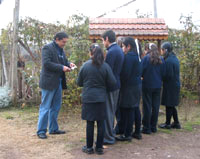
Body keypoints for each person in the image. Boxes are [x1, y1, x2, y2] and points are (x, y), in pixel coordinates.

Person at [77, 44, 116, 155]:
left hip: (88, 98)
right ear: (102, 54)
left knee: (90, 123)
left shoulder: (85, 66)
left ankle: (89, 147)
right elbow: (112, 82)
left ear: (90, 53)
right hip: (101, 98)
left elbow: (79, 82)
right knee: (101, 123)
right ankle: (99, 148)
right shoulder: (105, 66)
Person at [37, 32, 76, 139]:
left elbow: (64, 61)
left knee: (56, 106)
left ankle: (53, 129)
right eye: (63, 41)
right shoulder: (47, 48)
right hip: (49, 83)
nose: (64, 44)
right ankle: (41, 131)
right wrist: (61, 68)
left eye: (65, 42)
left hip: (58, 82)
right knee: (45, 107)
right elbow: (47, 64)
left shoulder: (61, 49)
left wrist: (69, 64)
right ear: (57, 39)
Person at [115, 37, 142, 141]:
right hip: (137, 86)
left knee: (128, 110)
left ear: (128, 46)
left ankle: (127, 134)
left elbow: (125, 74)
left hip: (129, 87)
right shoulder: (137, 56)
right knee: (135, 109)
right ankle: (137, 132)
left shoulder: (129, 57)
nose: (122, 48)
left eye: (123, 46)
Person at [101, 30, 124, 145]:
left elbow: (107, 71)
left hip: (110, 86)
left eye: (102, 40)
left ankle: (108, 137)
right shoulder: (118, 50)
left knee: (108, 111)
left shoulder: (111, 52)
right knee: (111, 110)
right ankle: (109, 135)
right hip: (116, 84)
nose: (102, 43)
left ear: (106, 39)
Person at [141, 43, 166, 134]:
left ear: (147, 49)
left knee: (147, 106)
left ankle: (146, 127)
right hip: (158, 86)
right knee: (155, 107)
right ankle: (153, 126)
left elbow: (141, 71)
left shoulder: (145, 59)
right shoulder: (161, 59)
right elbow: (164, 73)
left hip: (147, 85)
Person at [159, 42, 181, 129]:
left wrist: (161, 77)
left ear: (166, 50)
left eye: (162, 50)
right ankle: (176, 123)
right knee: (172, 105)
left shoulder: (168, 61)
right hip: (175, 85)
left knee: (169, 105)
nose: (162, 51)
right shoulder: (174, 58)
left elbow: (168, 75)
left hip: (170, 86)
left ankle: (167, 123)